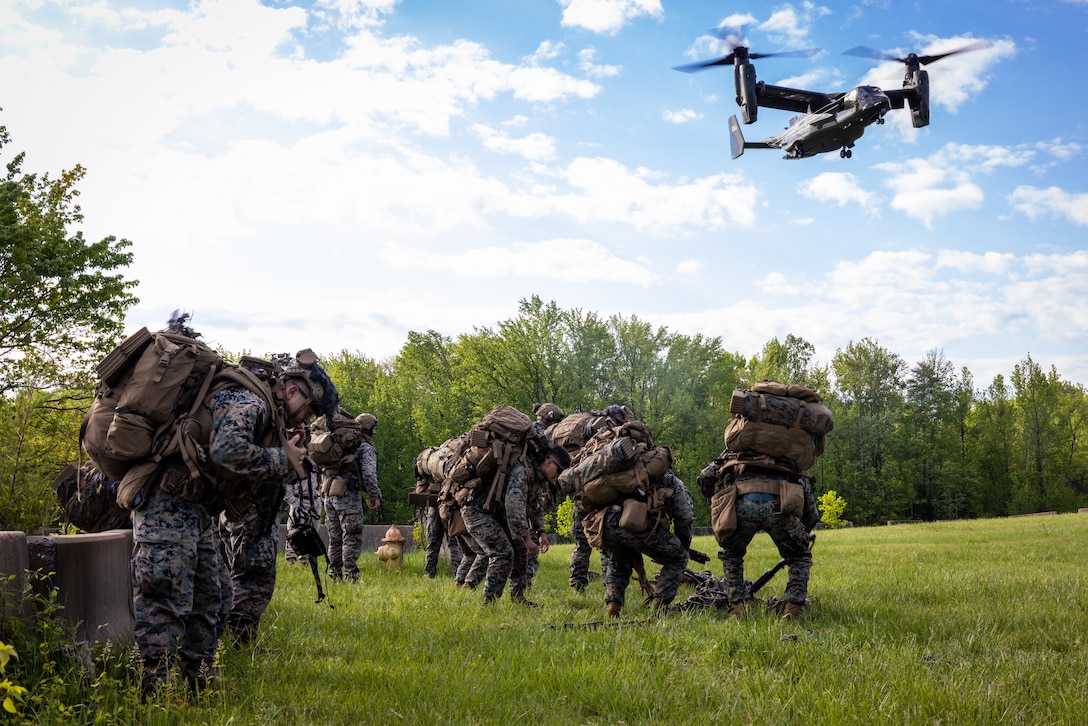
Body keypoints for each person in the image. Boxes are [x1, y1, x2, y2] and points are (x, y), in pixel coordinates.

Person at [131, 345, 337, 692]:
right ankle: (154, 693)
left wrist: (285, 461)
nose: (307, 419)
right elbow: (227, 451)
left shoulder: (266, 413)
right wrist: (283, 461)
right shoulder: (250, 401)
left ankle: (197, 682)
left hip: (195, 510)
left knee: (215, 595)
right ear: (291, 391)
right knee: (165, 600)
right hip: (167, 504)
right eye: (309, 410)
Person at [460, 444, 570, 606]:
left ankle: (517, 596)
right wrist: (526, 538)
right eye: (559, 470)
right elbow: (514, 507)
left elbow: (536, 505)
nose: (559, 476)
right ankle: (489, 602)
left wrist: (541, 533)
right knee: (503, 552)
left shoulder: (537, 477)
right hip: (476, 509)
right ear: (549, 462)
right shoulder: (522, 472)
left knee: (520, 551)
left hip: (495, 512)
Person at [705, 460, 815, 620]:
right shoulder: (789, 456)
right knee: (799, 556)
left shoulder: (735, 453)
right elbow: (811, 511)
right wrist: (802, 534)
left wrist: (711, 500)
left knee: (731, 555)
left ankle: (738, 609)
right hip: (781, 503)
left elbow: (705, 476)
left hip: (741, 503)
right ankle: (793, 609)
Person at [597, 471, 694, 617]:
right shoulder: (670, 480)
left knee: (618, 562)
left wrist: (641, 571)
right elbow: (685, 517)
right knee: (679, 557)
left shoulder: (623, 473)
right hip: (635, 523)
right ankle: (660, 608)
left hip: (606, 525)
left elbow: (630, 544)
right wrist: (683, 546)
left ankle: (613, 606)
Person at [324, 412, 382, 581]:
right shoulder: (364, 447)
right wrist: (375, 496)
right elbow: (370, 476)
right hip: (347, 495)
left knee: (335, 538)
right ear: (369, 429)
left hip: (330, 495)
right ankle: (351, 576)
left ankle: (334, 574)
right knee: (351, 536)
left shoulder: (340, 443)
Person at [284, 466, 323, 565]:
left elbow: (322, 481)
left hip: (315, 502)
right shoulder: (296, 463)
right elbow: (287, 482)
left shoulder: (315, 465)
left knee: (312, 533)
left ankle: (305, 560)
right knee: (294, 531)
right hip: (299, 500)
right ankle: (291, 559)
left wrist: (321, 499)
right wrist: (292, 500)